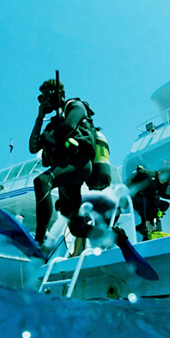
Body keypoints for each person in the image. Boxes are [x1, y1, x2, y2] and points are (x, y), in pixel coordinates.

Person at [29, 78, 96, 250]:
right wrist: (40, 117)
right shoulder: (51, 124)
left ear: (62, 94)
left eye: (49, 96)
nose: (46, 100)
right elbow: (33, 147)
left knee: (42, 181)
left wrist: (51, 138)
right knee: (74, 224)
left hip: (79, 163)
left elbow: (69, 126)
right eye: (43, 97)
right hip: (64, 171)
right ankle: (111, 235)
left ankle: (39, 240)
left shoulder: (75, 106)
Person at [127, 165, 170, 241]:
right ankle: (144, 229)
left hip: (139, 202)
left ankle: (143, 232)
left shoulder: (157, 181)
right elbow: (148, 201)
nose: (165, 181)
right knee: (154, 210)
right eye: (164, 178)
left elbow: (162, 195)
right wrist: (148, 221)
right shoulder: (151, 181)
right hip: (139, 201)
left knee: (158, 208)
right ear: (159, 173)